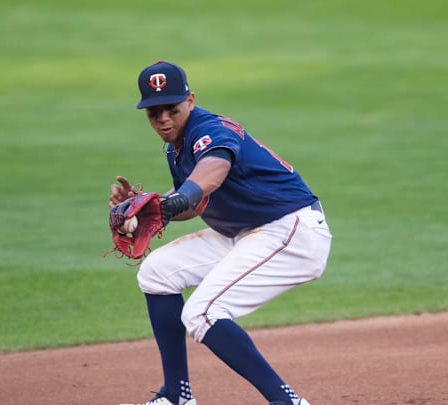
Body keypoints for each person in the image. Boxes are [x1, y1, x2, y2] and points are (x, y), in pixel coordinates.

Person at [109, 60, 332, 405]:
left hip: (290, 231)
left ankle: (285, 401)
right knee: (157, 272)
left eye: (172, 108)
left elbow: (214, 170)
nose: (164, 118)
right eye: (154, 112)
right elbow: (195, 203)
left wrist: (178, 198)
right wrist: (148, 207)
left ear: (191, 101)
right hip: (246, 234)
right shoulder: (177, 147)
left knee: (202, 312)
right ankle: (176, 397)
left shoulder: (212, 130)